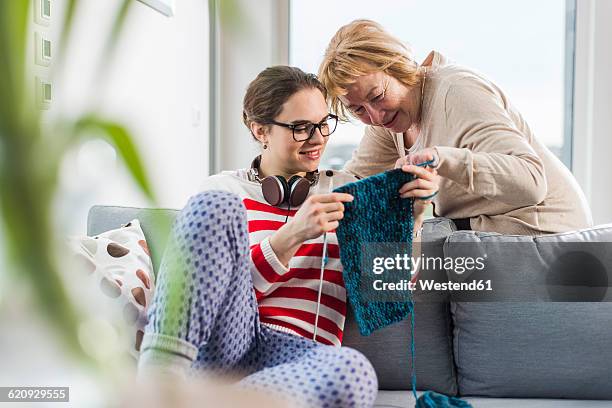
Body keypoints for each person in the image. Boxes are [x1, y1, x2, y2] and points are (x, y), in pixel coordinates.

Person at [138, 66, 438, 408]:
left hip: (302, 362)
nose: (318, 138)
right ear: (261, 130)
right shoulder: (224, 190)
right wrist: (291, 235)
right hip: (229, 344)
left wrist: (413, 215)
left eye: (324, 123)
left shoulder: (346, 191)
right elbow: (209, 294)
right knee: (214, 204)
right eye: (300, 128)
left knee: (354, 370)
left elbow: (385, 293)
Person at [318, 19, 592, 235]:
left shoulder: (457, 91)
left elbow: (532, 182)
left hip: (544, 233)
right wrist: (291, 179)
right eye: (358, 110)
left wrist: (444, 158)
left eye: (376, 97)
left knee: (394, 275)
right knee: (380, 270)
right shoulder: (388, 117)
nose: (375, 116)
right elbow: (352, 184)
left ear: (397, 66)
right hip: (480, 234)